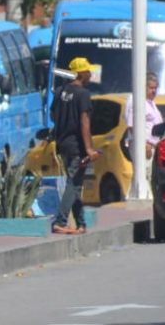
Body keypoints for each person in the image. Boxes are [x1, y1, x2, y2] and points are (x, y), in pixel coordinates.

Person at [50, 57, 101, 235]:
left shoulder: (59, 92)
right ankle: (61, 221)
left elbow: (53, 115)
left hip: (63, 144)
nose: (91, 74)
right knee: (73, 183)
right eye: (88, 71)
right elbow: (84, 121)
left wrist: (63, 125)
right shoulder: (83, 94)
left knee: (76, 185)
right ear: (81, 73)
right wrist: (88, 149)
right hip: (77, 146)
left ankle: (81, 223)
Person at [124, 72, 163, 183]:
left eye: (155, 88)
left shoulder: (150, 102)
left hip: (153, 146)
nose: (154, 91)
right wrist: (143, 144)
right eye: (151, 88)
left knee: (151, 177)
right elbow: (132, 126)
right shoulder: (136, 100)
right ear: (143, 86)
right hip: (143, 146)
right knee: (145, 177)